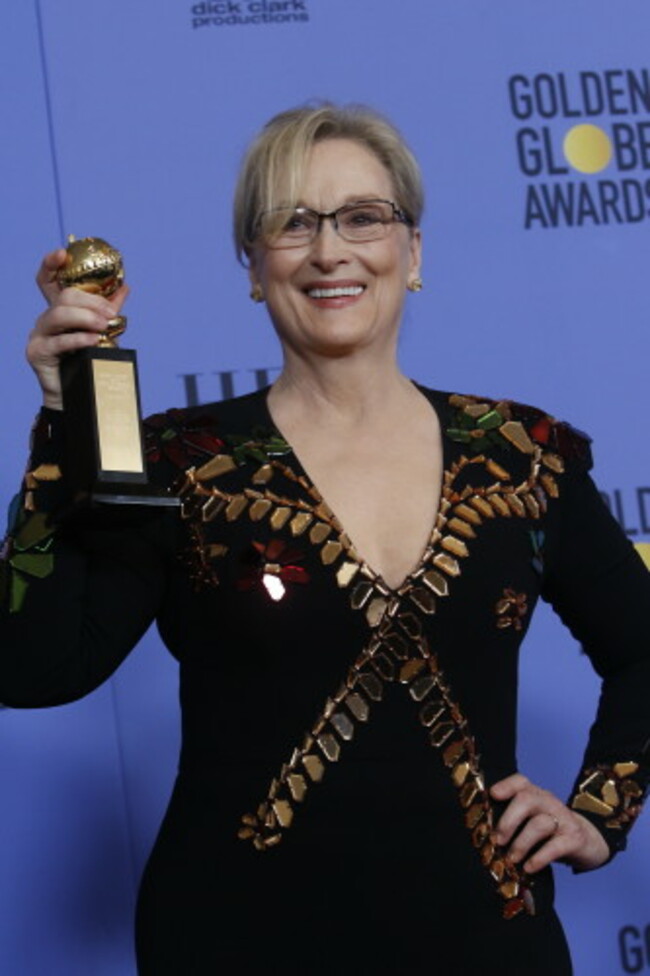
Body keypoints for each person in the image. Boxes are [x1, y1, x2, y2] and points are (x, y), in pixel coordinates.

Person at [1, 103, 648, 975]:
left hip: (485, 941)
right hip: (234, 941)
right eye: (291, 223)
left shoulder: (522, 458)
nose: (329, 250)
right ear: (254, 267)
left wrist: (601, 815)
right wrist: (56, 421)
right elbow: (33, 669)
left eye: (362, 218)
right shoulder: (181, 462)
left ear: (410, 252)